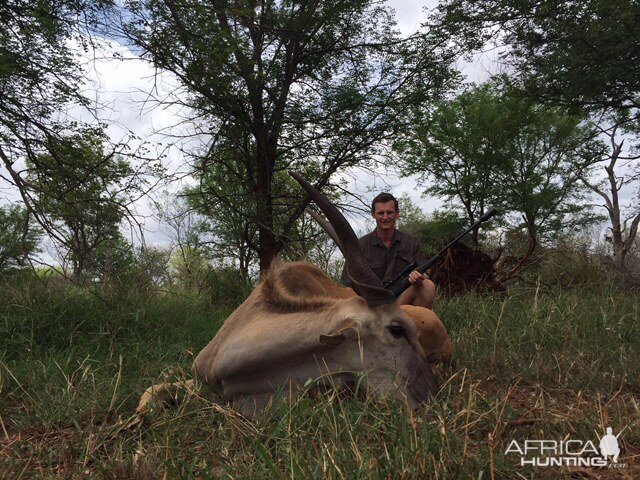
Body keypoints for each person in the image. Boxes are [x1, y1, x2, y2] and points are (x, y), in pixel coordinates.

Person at [341, 192, 435, 309]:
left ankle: (416, 326)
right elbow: (347, 285)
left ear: (397, 214)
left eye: (389, 212)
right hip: (370, 308)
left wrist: (420, 277)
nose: (385, 217)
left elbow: (424, 272)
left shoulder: (411, 241)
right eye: (381, 213)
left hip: (402, 304)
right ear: (373, 215)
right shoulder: (360, 245)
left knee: (427, 286)